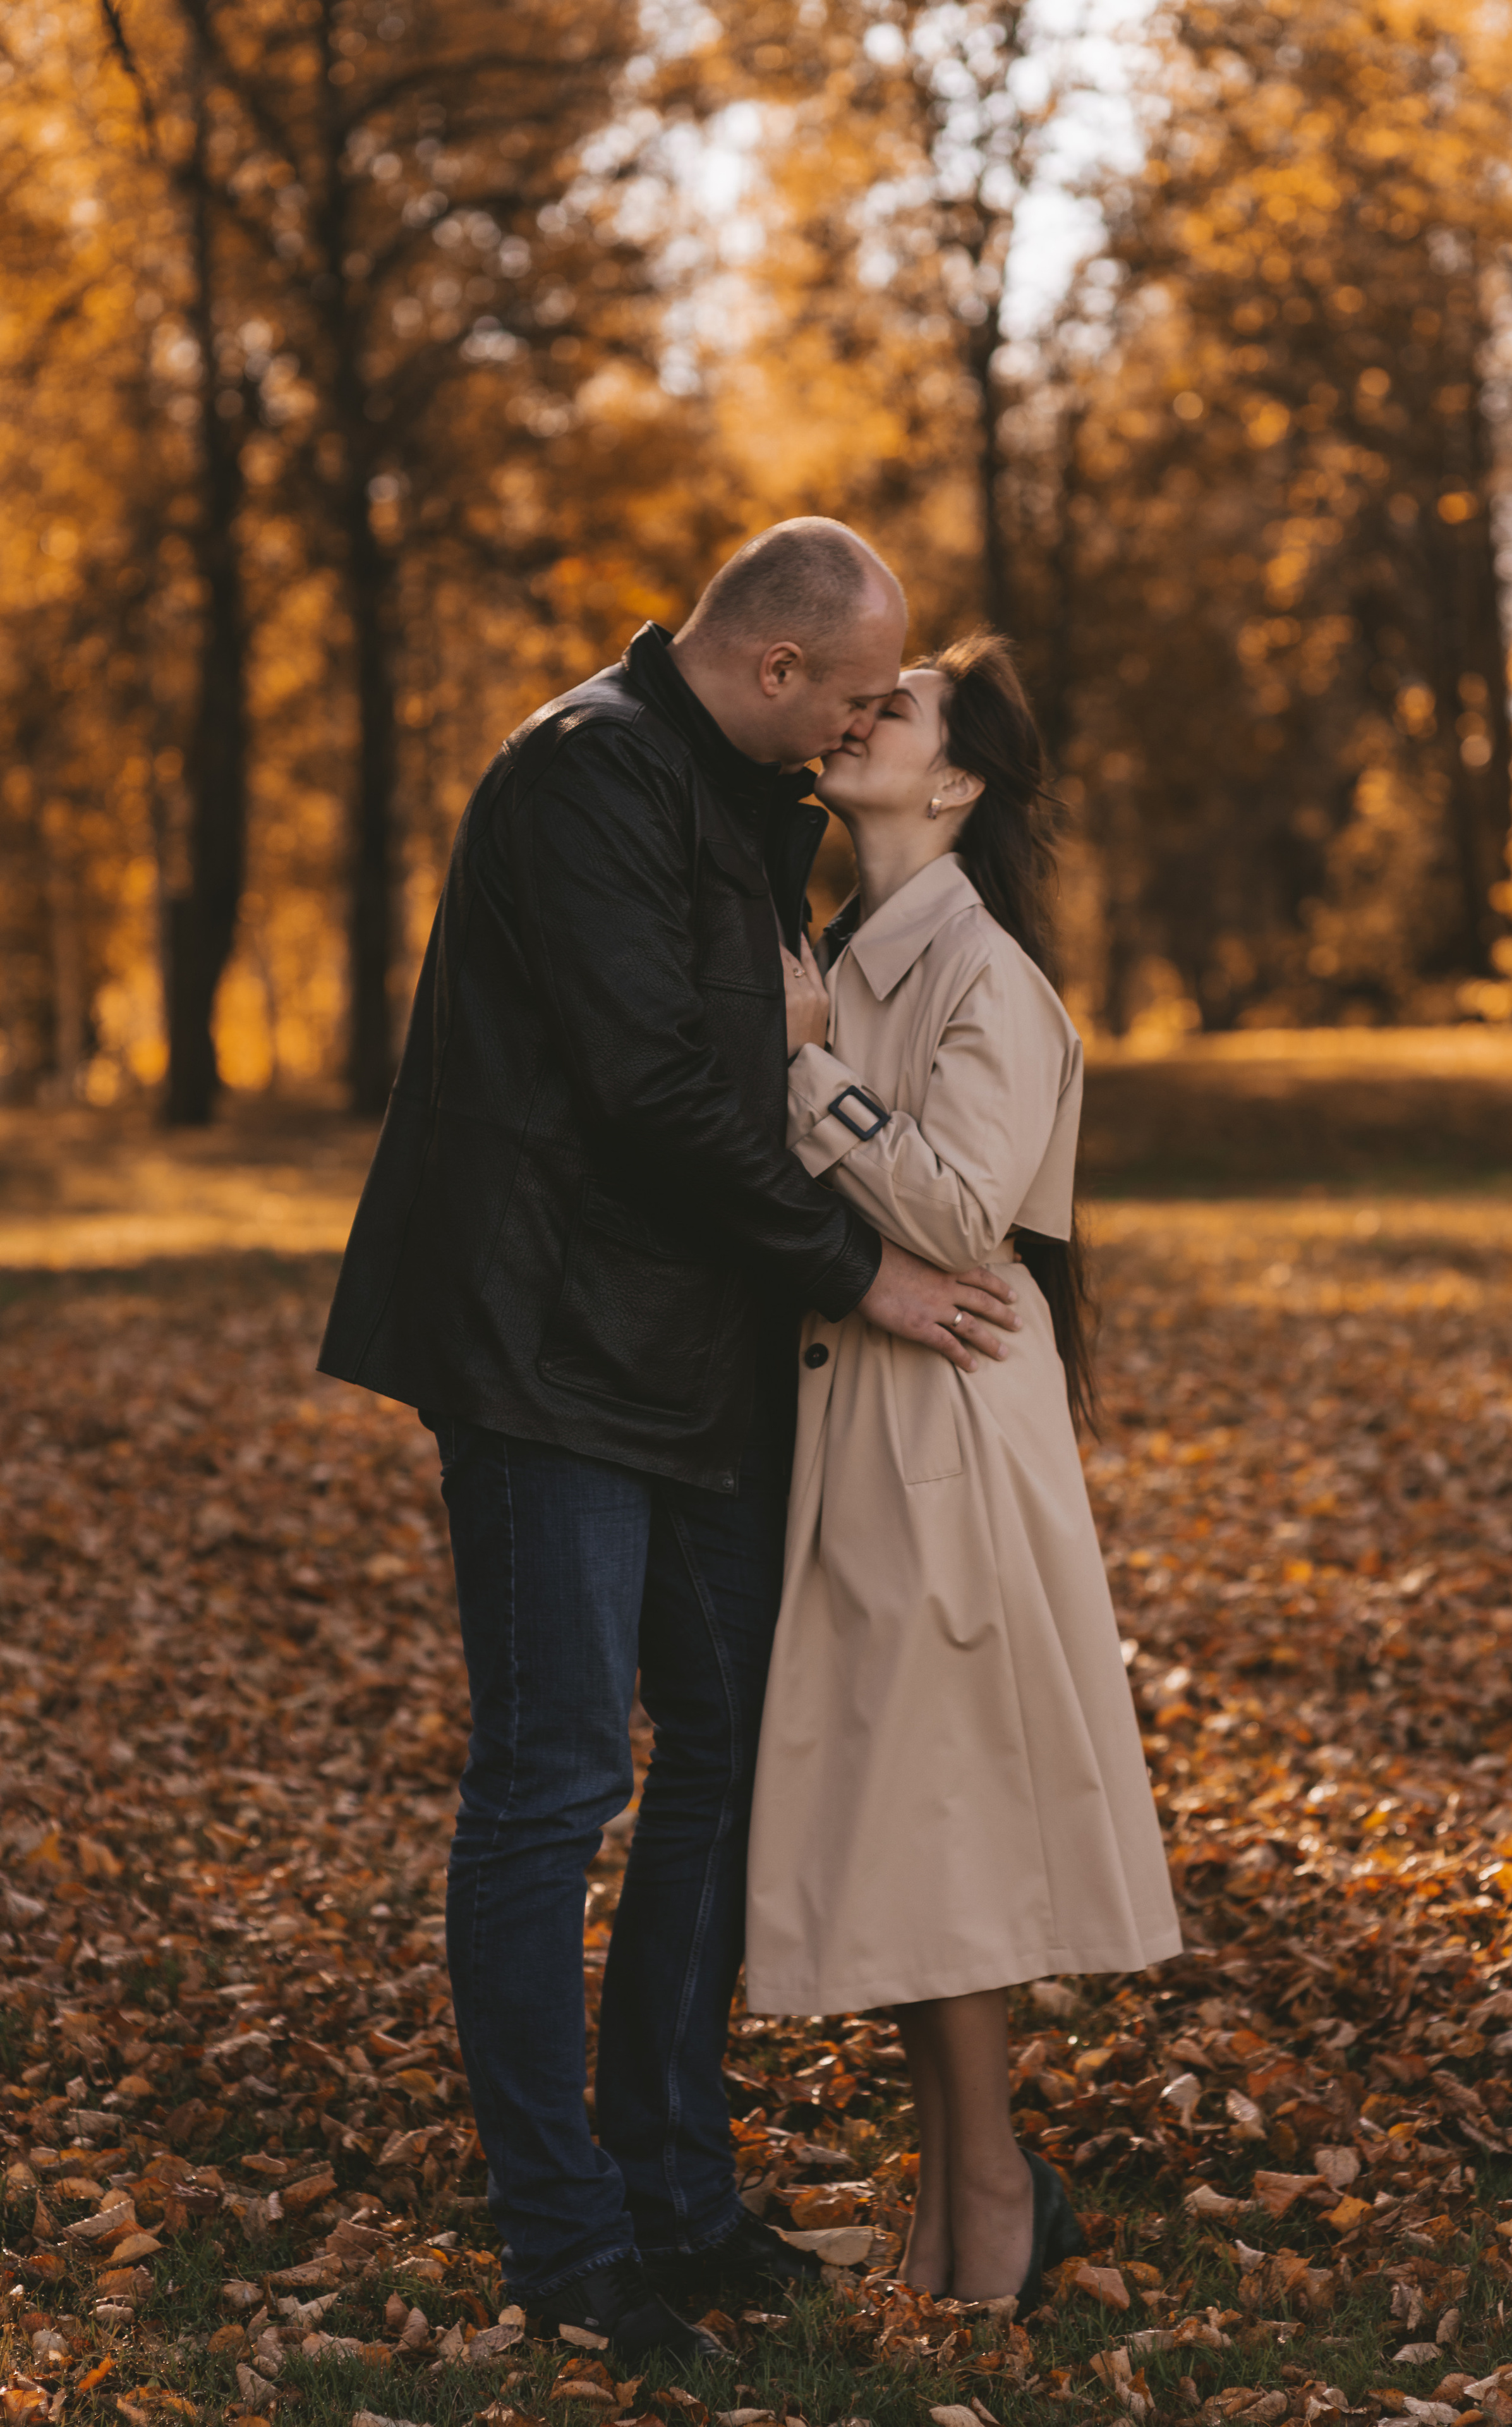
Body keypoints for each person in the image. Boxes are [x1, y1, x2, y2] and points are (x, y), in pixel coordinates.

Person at [317, 521, 1022, 2365]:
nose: (870, 718)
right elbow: (649, 1097)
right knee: (556, 1783)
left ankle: (680, 2193)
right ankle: (568, 2244)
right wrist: (856, 1270)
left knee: (720, 1754)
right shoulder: (586, 781)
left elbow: (767, 1077)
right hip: (545, 1355)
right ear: (776, 671)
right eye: (859, 693)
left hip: (695, 1359)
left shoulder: (738, 801)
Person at [745, 633, 1183, 2309]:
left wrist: (802, 1067)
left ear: (958, 781)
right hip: (864, 1413)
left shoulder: (984, 974)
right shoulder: (844, 947)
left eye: (895, 709)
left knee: (941, 1822)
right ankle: (966, 2196)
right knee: (907, 1825)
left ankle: (990, 2200)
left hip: (945, 1433)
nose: (855, 722)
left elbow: (953, 1210)